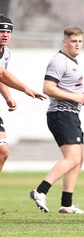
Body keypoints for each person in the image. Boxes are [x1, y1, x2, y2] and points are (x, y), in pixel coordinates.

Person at [29, 26, 84, 214]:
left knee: (78, 160)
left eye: (79, 41)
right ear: (65, 42)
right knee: (72, 158)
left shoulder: (72, 61)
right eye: (73, 41)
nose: (77, 45)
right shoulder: (58, 61)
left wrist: (79, 97)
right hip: (61, 114)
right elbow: (48, 88)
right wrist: (74, 97)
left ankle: (66, 204)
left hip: (71, 114)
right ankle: (40, 191)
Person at [0, 14, 46, 171]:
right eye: (1, 31)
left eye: (8, 32)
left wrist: (8, 97)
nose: (5, 35)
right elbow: (1, 74)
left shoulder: (6, 53)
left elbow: (1, 78)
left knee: (2, 152)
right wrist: (25, 89)